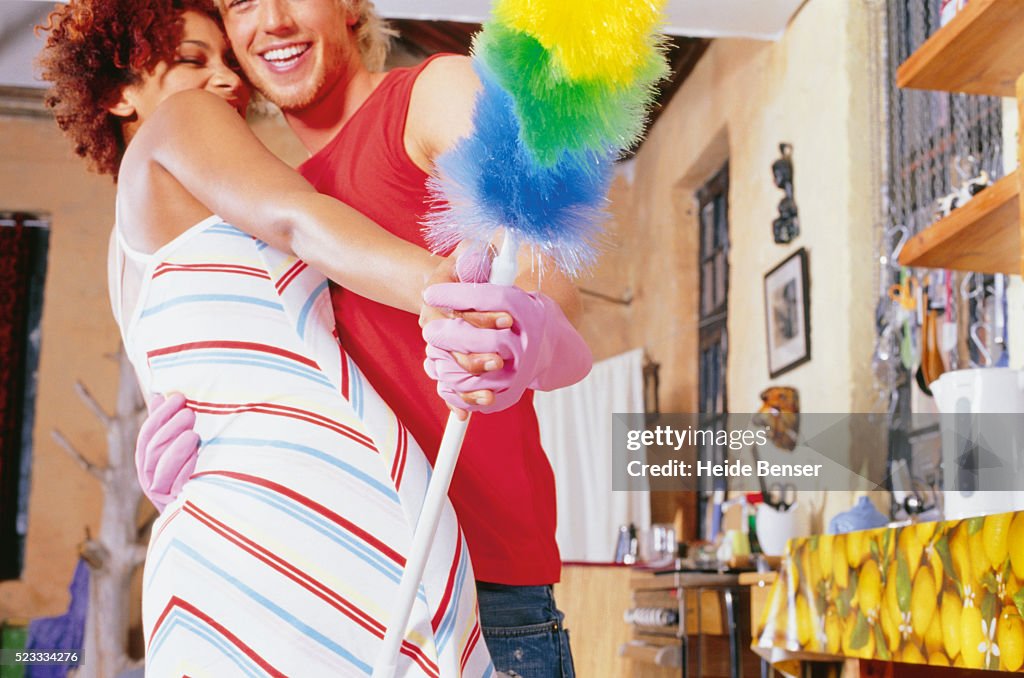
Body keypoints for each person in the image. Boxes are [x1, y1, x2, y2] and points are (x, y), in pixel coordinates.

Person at [136, 0, 594, 675]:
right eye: (242, 4)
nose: (274, 20)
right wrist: (206, 463)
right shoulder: (258, 199)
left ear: (351, 4)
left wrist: (530, 334)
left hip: (486, 593)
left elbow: (545, 274)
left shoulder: (430, 95)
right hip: (336, 595)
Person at [39, 1, 497, 673]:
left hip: (234, 549)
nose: (225, 80)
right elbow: (298, 220)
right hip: (288, 538)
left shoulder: (130, 250)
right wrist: (442, 287)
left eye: (229, 62)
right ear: (116, 91)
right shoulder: (179, 121)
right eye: (193, 61)